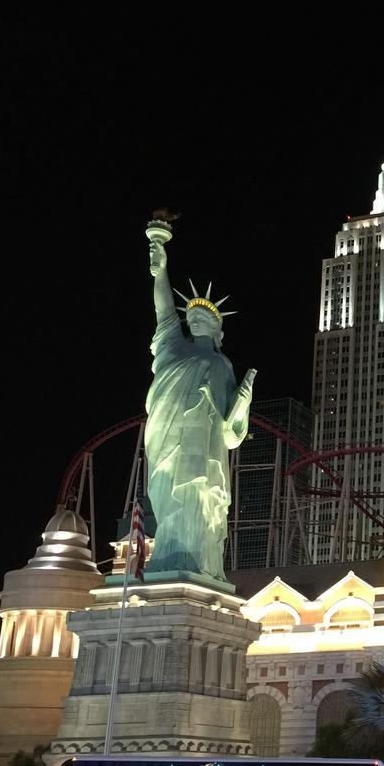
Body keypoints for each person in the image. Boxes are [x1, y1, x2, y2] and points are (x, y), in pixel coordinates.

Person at [144, 238, 255, 581]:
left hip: (203, 450)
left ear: (218, 330)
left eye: (203, 319)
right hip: (166, 434)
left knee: (197, 497)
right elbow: (164, 312)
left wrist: (243, 403)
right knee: (166, 496)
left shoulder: (222, 365)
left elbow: (230, 433)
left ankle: (196, 563)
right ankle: (167, 560)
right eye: (191, 317)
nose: (194, 321)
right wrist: (161, 271)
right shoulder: (174, 348)